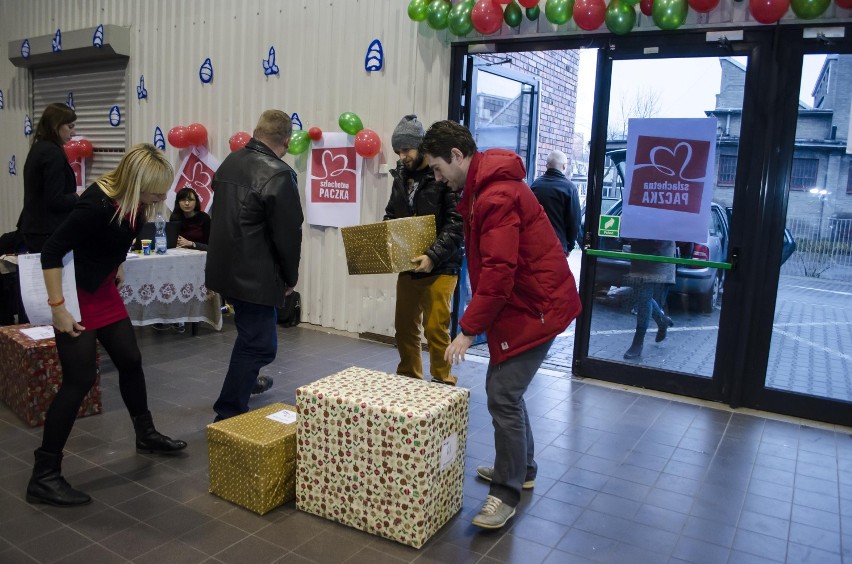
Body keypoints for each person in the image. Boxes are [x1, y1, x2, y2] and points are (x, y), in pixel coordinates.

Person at [421, 121, 582, 529]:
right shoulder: (482, 189)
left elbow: (498, 273)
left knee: (502, 395)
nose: (438, 178)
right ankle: (521, 469)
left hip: (538, 308)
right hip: (527, 305)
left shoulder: (495, 194)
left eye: (438, 168)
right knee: (506, 390)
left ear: (457, 156)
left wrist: (468, 329)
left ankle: (505, 494)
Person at [28, 144, 188, 507]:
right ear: (135, 183)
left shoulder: (135, 203)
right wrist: (58, 309)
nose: (162, 197)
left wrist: (116, 264)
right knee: (80, 380)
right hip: (76, 296)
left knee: (130, 359)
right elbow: (52, 251)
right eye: (156, 190)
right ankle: (44, 475)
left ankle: (145, 433)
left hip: (102, 289)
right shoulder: (96, 205)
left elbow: (117, 239)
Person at [206, 110, 303, 421]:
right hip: (254, 275)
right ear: (286, 142)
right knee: (261, 346)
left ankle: (246, 381)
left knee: (250, 336)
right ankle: (229, 411)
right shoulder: (278, 174)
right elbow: (288, 234)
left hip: (226, 269)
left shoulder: (228, 163)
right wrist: (290, 276)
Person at [384, 115, 463, 386]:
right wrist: (385, 235)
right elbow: (391, 213)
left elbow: (457, 223)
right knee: (404, 327)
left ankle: (443, 382)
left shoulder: (442, 176)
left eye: (406, 150)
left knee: (435, 328)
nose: (402, 156)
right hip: (409, 265)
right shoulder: (400, 177)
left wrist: (432, 256)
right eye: (398, 151)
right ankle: (409, 380)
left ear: (420, 147)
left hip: (442, 266)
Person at [18, 103, 79, 253]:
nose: (73, 132)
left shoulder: (40, 147)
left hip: (36, 228)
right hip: (46, 231)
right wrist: (77, 197)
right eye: (70, 127)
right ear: (55, 125)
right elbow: (55, 200)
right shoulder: (52, 153)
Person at [623, 239, 675, 359]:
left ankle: (638, 341)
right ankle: (662, 320)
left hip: (658, 252)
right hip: (640, 251)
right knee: (641, 294)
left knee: (644, 294)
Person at [529, 149, 582, 255]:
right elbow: (574, 221)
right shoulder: (569, 188)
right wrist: (569, 246)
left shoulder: (535, 185)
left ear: (547, 166)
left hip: (534, 244)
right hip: (557, 246)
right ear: (564, 166)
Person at [170, 186, 211, 250]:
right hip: (179, 253)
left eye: (191, 200)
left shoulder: (204, 218)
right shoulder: (174, 217)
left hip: (200, 253)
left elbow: (211, 246)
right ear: (178, 202)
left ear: (196, 202)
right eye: (183, 200)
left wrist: (191, 244)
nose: (187, 203)